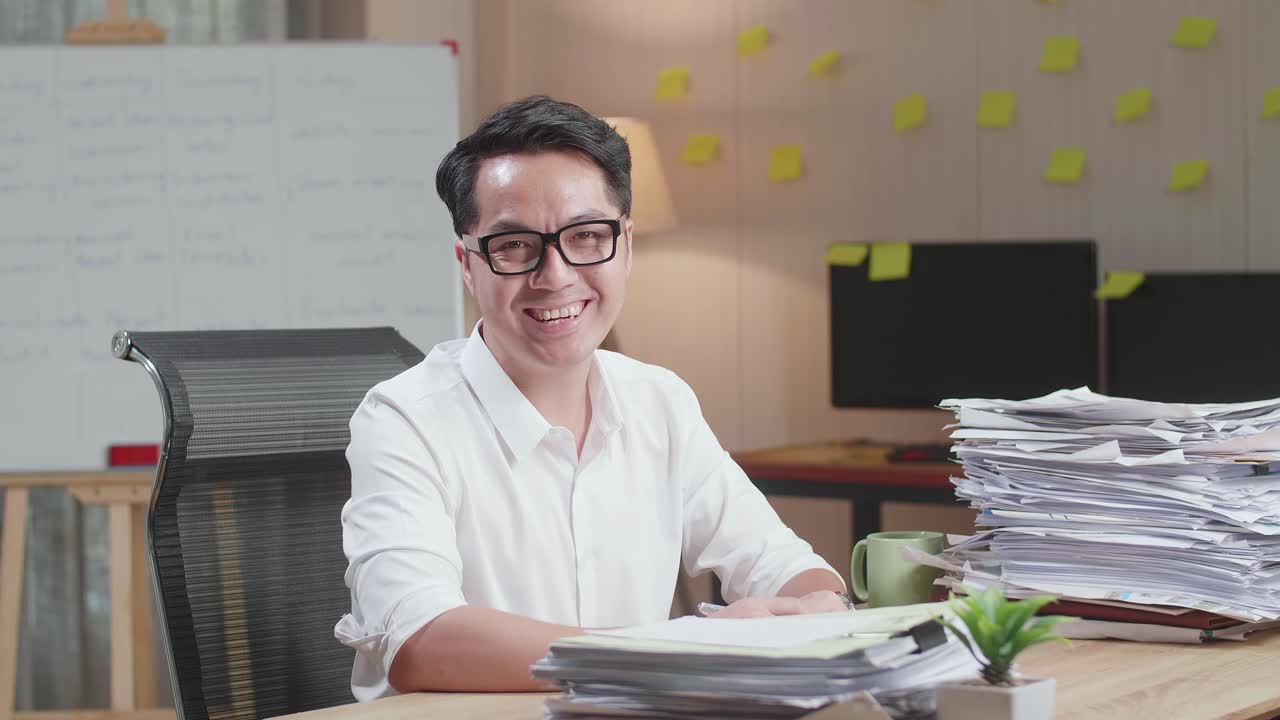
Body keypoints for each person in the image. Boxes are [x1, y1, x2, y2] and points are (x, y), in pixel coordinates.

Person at [334, 96, 850, 701]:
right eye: (514, 246)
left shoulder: (658, 400)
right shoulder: (403, 418)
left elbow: (781, 564)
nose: (554, 275)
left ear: (625, 245)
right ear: (468, 266)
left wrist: (822, 605)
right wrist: (676, 650)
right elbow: (420, 641)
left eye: (586, 236)